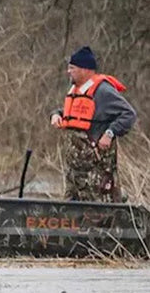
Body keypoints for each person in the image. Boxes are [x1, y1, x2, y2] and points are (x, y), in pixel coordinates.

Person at [49, 46, 137, 202]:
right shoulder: (77, 90)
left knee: (97, 215)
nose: (68, 71)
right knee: (69, 213)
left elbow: (129, 114)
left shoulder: (103, 91)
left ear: (85, 70)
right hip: (75, 173)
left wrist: (109, 133)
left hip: (96, 172)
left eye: (72, 68)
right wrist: (56, 114)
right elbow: (72, 112)